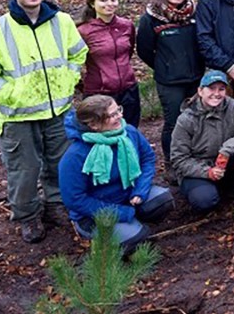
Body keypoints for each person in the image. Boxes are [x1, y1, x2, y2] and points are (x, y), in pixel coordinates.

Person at [0, 0, 88, 242]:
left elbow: (78, 53)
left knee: (59, 163)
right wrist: (13, 95)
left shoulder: (62, 22)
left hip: (58, 111)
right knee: (24, 170)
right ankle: (28, 216)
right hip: (18, 117)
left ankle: (56, 206)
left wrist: (69, 79)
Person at [60, 96, 173, 252]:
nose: (120, 116)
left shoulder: (128, 133)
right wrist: (120, 212)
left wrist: (140, 190)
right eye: (112, 115)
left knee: (162, 201)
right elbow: (74, 199)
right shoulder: (75, 156)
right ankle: (110, 231)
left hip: (127, 197)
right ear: (93, 124)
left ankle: (130, 222)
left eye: (118, 110)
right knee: (137, 240)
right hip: (93, 214)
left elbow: (147, 158)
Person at [171, 70, 234, 216]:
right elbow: (178, 159)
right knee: (204, 201)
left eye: (221, 89)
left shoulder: (233, 106)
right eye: (211, 88)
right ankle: (209, 190)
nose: (216, 93)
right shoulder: (186, 119)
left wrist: (227, 149)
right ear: (200, 91)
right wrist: (207, 172)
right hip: (199, 168)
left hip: (225, 162)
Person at [137, 0, 204, 165]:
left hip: (196, 77)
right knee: (174, 123)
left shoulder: (195, 13)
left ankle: (195, 157)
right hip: (170, 81)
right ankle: (172, 162)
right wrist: (164, 65)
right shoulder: (151, 18)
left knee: (196, 120)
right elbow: (144, 50)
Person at [77, 0, 140, 127]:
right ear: (92, 3)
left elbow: (128, 53)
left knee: (130, 130)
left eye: (113, 0)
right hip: (98, 92)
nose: (109, 4)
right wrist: (82, 84)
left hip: (128, 89)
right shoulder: (83, 31)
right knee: (102, 133)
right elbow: (74, 61)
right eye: (103, 0)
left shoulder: (126, 25)